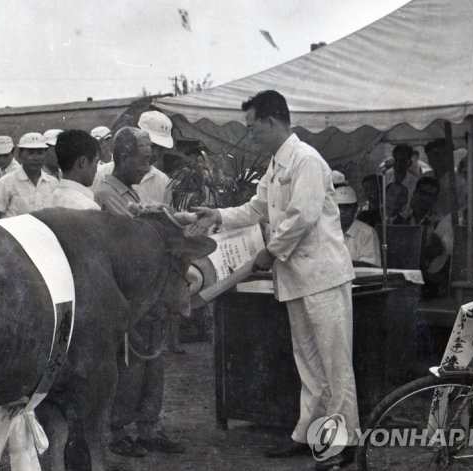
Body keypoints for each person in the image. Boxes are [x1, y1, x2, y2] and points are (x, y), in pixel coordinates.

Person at [193, 90, 357, 470]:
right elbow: (256, 208)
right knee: (309, 363)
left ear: (271, 121)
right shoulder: (275, 165)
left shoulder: (307, 160)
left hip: (323, 277)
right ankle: (309, 433)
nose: (250, 135)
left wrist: (270, 251)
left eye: (252, 128)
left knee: (335, 364)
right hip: (297, 278)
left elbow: (303, 216)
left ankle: (344, 442)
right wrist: (217, 215)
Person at [93, 127, 185, 457]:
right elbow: (134, 236)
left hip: (147, 290)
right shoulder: (107, 193)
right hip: (127, 293)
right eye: (144, 160)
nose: (149, 167)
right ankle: (118, 430)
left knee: (152, 360)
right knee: (129, 363)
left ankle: (149, 427)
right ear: (123, 157)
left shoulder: (128, 192)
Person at [94, 111, 174, 206]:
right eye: (152, 146)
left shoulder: (163, 182)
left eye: (161, 149)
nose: (155, 154)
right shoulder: (101, 174)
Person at [0, 132, 58, 219]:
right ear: (20, 154)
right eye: (31, 153)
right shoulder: (6, 182)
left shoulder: (53, 183)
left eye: (40, 153)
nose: (36, 158)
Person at [47, 129, 101, 210]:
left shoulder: (47, 201)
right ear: (83, 162)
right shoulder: (88, 207)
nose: (96, 169)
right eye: (96, 162)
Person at [336, 185, 380, 267]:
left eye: (347, 207)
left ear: (355, 209)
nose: (342, 212)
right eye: (339, 207)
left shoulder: (367, 233)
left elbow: (369, 267)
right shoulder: (326, 231)